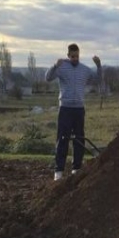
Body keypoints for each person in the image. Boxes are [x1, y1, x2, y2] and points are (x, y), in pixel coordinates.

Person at [45, 43, 102, 181]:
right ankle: (58, 171)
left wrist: (99, 66)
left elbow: (97, 79)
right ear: (68, 55)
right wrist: (55, 66)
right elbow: (47, 78)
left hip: (79, 109)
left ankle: (76, 168)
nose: (75, 58)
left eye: (77, 56)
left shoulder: (85, 70)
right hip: (65, 109)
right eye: (72, 56)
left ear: (79, 55)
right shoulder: (62, 67)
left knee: (79, 139)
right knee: (62, 139)